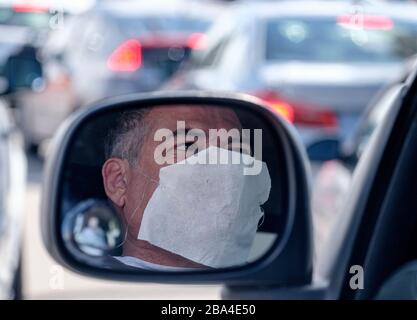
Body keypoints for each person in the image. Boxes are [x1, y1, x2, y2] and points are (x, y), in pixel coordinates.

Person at [102, 105, 271, 271]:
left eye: (236, 151)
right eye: (188, 146)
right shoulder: (92, 285)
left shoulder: (265, 278)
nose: (224, 166)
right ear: (119, 182)